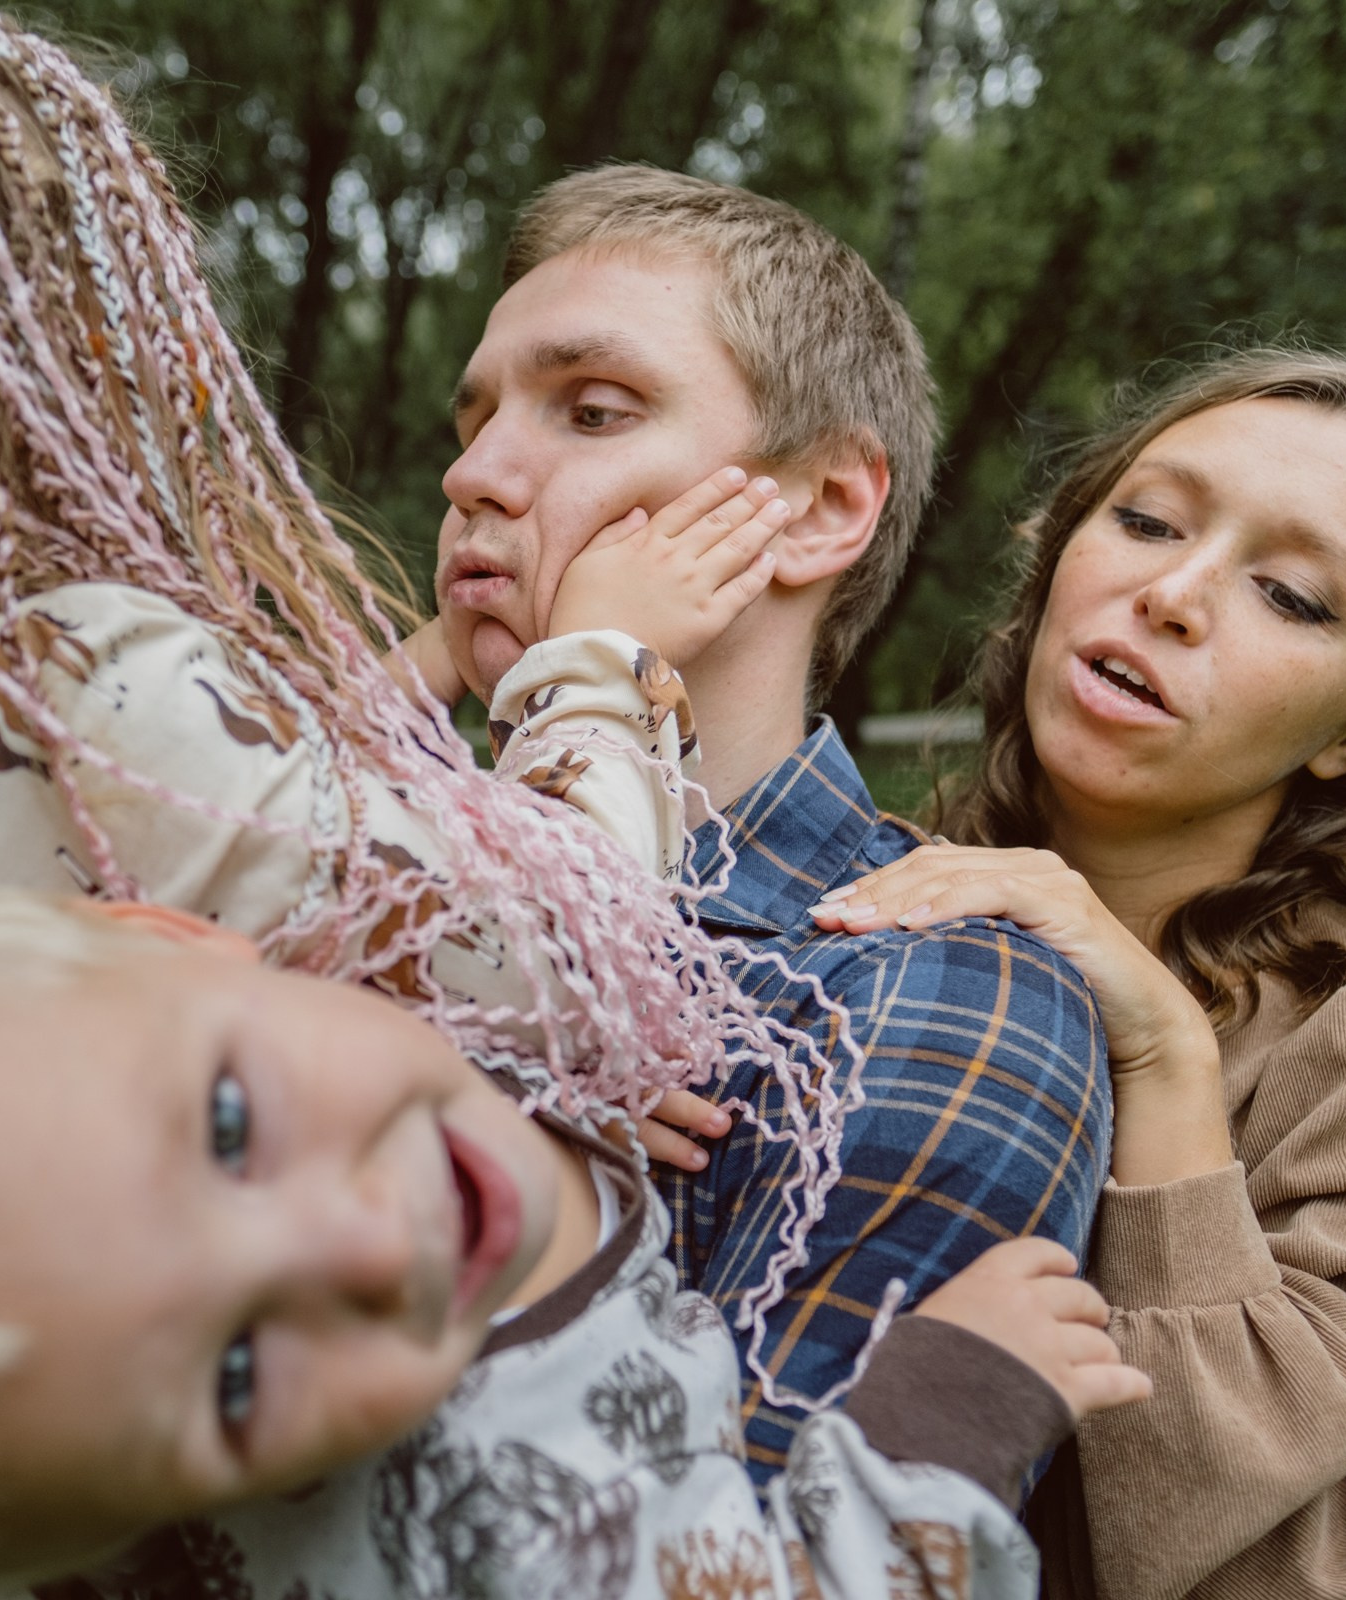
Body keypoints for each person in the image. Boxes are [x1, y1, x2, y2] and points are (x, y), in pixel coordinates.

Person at [0, 7, 852, 1594]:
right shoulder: (69, 673)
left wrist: (408, 678)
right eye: (95, 311)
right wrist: (593, 659)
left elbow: (216, 861)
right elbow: (563, 966)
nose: (137, 364)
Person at [0, 887, 1152, 1599]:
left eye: (225, 1130)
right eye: (232, 1377)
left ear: (171, 935)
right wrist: (941, 1423)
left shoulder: (418, 1012)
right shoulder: (520, 1521)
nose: (360, 1244)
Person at [810, 348, 1346, 1599]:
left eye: (1292, 595)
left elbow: (1335, 1580)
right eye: (1143, 520)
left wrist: (1169, 1072)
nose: (1172, 592)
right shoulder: (867, 889)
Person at [426, 164, 1110, 1477]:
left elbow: (765, 1534)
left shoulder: (927, 992)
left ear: (818, 509)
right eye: (474, 416)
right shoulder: (357, 862)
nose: (475, 471)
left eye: (593, 408)